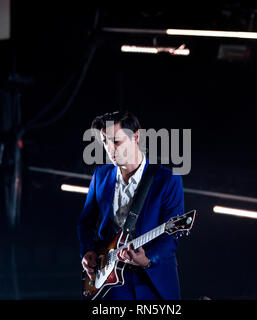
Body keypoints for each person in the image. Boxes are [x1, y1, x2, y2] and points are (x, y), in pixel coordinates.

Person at [77, 110, 184, 300]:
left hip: (153, 279)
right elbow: (86, 222)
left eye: (116, 141)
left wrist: (149, 258)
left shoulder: (168, 180)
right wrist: (87, 251)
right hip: (110, 280)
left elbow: (172, 234)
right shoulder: (100, 175)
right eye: (105, 141)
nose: (110, 149)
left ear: (136, 136)